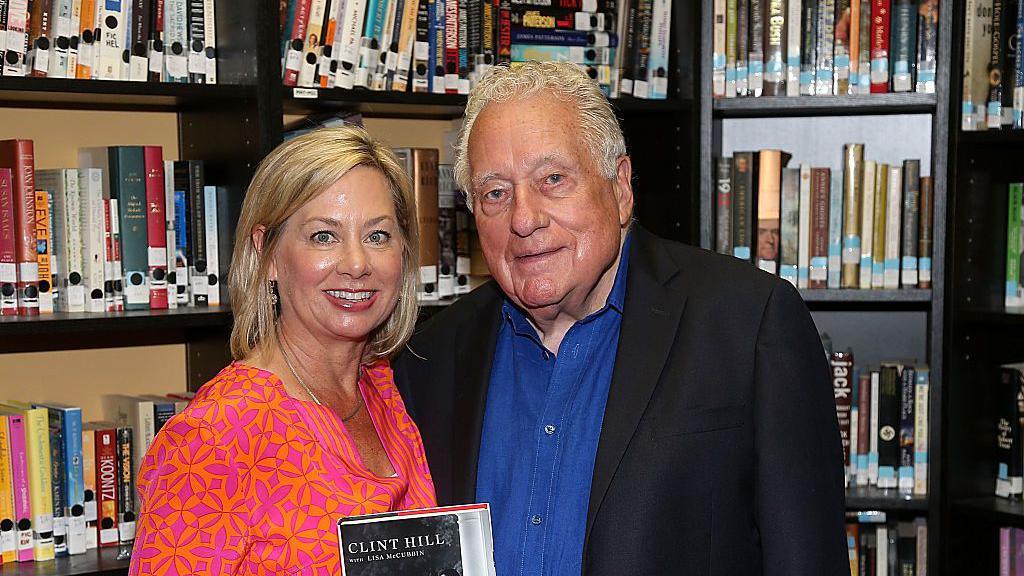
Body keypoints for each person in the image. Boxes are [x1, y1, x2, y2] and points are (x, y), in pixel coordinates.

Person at [392, 61, 847, 575]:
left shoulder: (749, 325)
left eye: (553, 179)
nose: (523, 218)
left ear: (621, 187)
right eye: (495, 192)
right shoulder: (430, 360)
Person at [130, 126, 436, 575]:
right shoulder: (216, 437)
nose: (356, 264)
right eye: (323, 237)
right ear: (268, 254)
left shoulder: (387, 391)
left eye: (377, 236)